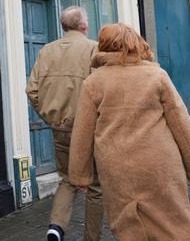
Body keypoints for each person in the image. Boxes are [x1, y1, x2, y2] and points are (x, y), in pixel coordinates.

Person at [69, 23, 190, 240]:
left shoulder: (93, 82)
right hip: (160, 164)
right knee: (173, 223)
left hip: (117, 168)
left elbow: (82, 133)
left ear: (103, 47)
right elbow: (181, 123)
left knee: (127, 225)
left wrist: (80, 174)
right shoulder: (157, 76)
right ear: (136, 44)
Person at [26, 6, 103, 241]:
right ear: (83, 25)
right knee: (95, 187)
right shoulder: (93, 48)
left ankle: (56, 228)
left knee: (68, 180)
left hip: (59, 129)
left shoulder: (46, 51)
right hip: (87, 130)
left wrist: (51, 117)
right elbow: (101, 90)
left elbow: (32, 90)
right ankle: (91, 238)